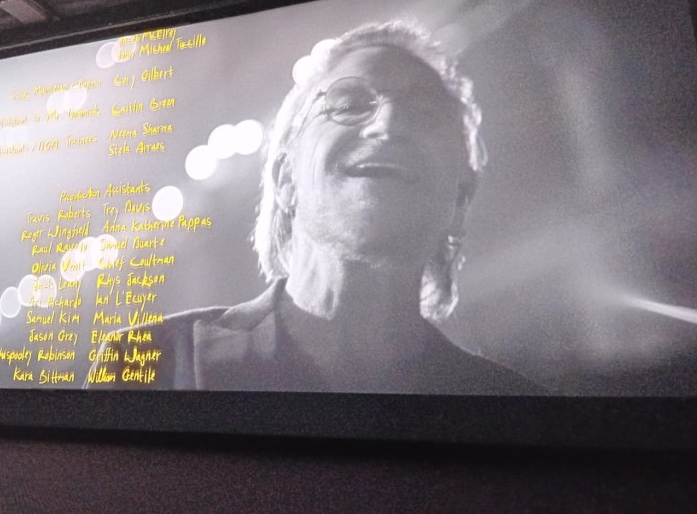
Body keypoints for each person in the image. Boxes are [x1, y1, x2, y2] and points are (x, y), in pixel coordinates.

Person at [86, 20, 540, 394]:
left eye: (425, 113)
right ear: (286, 178)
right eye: (350, 103)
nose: (389, 122)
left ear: (460, 199)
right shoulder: (145, 364)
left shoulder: (512, 410)